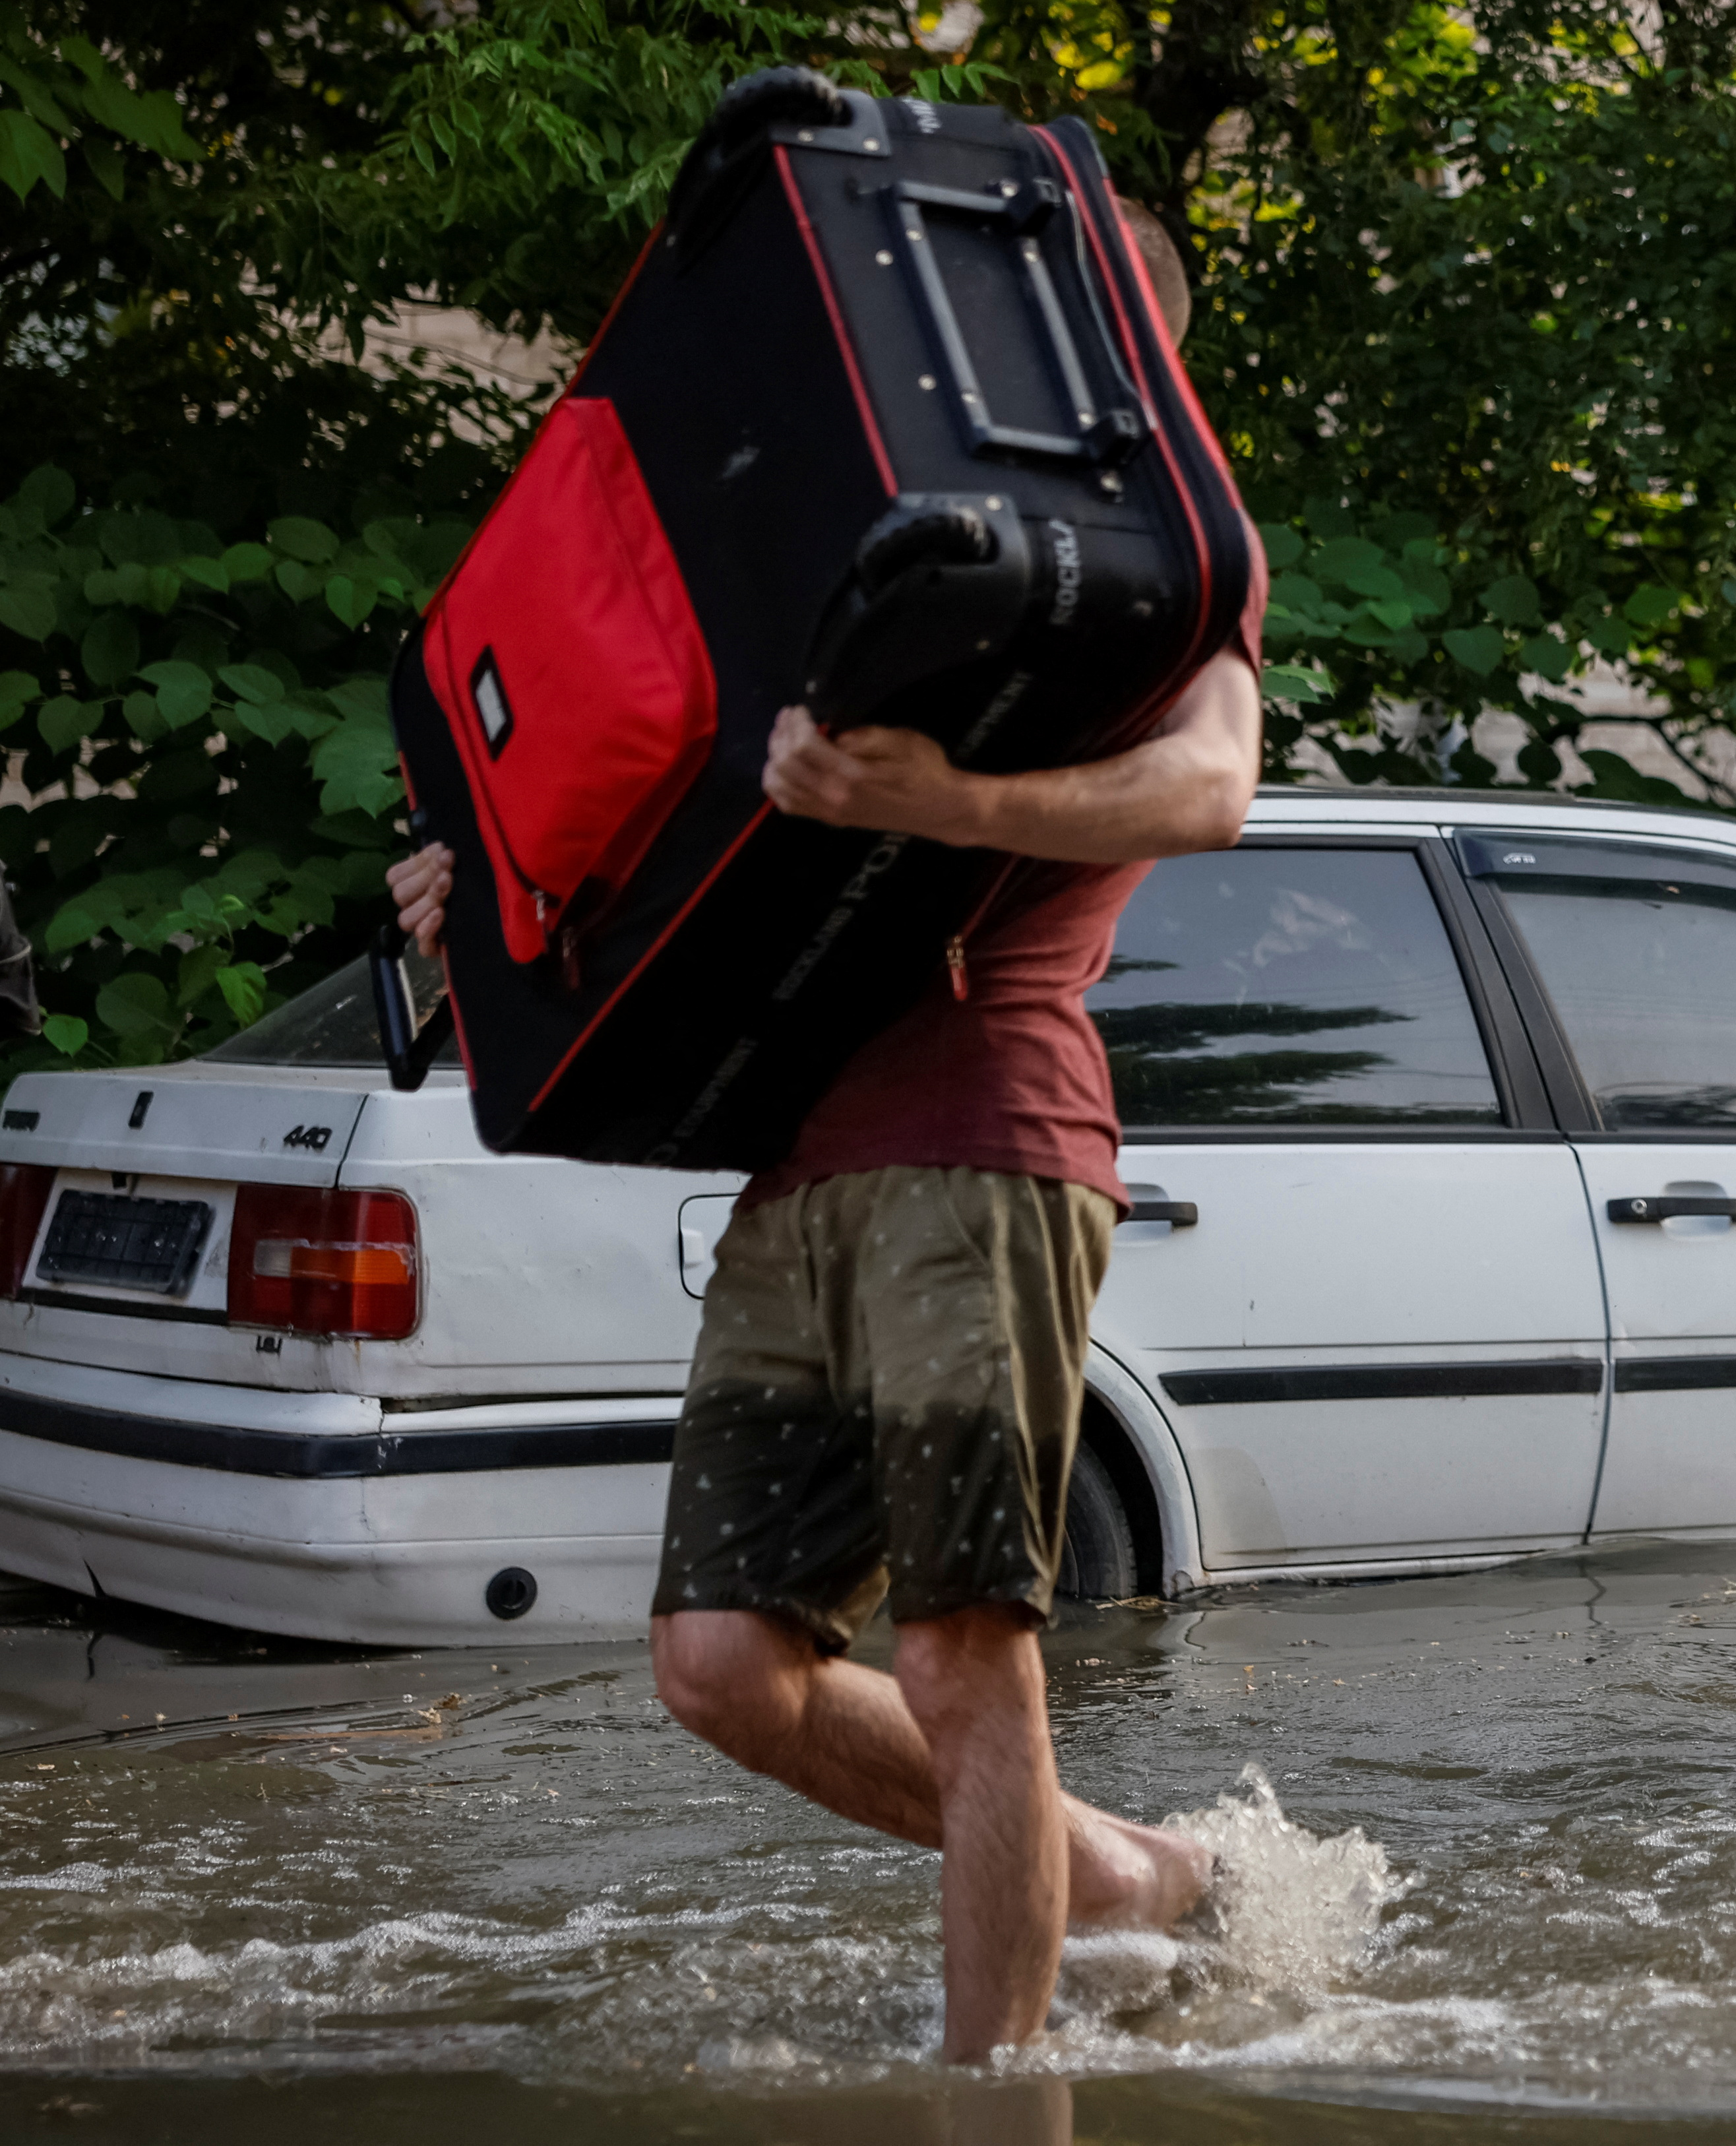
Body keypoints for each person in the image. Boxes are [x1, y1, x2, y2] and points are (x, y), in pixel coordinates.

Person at [388, 202, 1258, 2060]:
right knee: (720, 1662)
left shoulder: (1167, 555)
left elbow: (1212, 784)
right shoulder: (854, 534)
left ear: (1130, 343)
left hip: (984, 1130)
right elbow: (693, 818)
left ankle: (990, 2090)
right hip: (799, 1166)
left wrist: (961, 799)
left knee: (963, 1649)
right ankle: (1128, 1876)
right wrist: (494, 898)